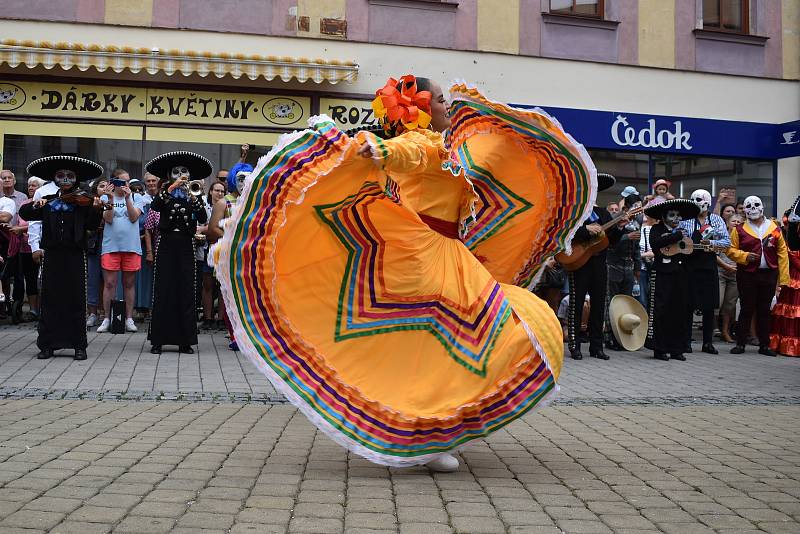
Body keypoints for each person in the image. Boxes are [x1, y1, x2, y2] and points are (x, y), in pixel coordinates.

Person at [210, 75, 592, 470]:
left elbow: (477, 157)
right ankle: (429, 433)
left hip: (439, 254)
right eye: (442, 100)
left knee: (438, 348)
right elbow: (405, 152)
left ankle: (431, 432)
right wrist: (376, 150)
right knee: (478, 337)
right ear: (422, 109)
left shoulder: (448, 148)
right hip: (423, 255)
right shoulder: (424, 142)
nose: (449, 106)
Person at [18, 155, 104, 360]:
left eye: (70, 176)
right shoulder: (48, 201)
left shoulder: (83, 201)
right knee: (50, 299)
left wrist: (97, 208)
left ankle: (79, 345)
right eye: (61, 176)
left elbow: (92, 225)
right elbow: (26, 213)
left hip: (75, 254)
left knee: (76, 298)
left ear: (75, 179)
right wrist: (36, 205)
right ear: (55, 179)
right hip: (53, 255)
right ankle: (47, 344)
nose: (65, 179)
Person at [145, 151, 210, 354]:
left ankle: (185, 340)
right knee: (163, 289)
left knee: (186, 290)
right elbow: (155, 207)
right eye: (176, 172)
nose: (180, 174)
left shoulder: (193, 193)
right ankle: (158, 339)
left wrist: (194, 197)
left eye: (183, 171)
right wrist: (171, 188)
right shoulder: (166, 193)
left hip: (186, 245)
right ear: (170, 175)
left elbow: (201, 217)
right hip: (166, 244)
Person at [566, 173, 623, 361]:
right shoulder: (576, 211)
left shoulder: (605, 214)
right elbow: (566, 233)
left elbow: (612, 241)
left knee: (599, 305)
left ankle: (596, 346)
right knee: (577, 303)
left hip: (599, 263)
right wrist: (585, 229)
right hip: (579, 262)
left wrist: (620, 228)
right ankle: (575, 345)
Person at [727, 196, 789, 355]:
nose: (753, 208)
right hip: (747, 275)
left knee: (764, 310)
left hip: (769, 274)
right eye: (749, 206)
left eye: (756, 205)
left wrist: (784, 279)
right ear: (745, 210)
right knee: (747, 308)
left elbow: (782, 252)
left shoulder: (774, 228)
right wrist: (745, 256)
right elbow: (730, 250)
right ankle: (740, 343)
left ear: (762, 208)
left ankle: (764, 345)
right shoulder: (739, 229)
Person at [646, 199, 700, 361]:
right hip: (662, 273)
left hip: (680, 274)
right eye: (672, 215)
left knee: (679, 310)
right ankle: (659, 348)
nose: (676, 218)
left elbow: (689, 248)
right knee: (661, 310)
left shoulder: (684, 231)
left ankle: (677, 348)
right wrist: (675, 236)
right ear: (663, 217)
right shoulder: (656, 229)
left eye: (678, 215)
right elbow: (656, 244)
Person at [680, 189, 730, 354]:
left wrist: (714, 244)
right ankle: (686, 341)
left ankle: (707, 343)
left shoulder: (716, 220)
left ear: (708, 202)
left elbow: (726, 242)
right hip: (689, 266)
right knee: (687, 305)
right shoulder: (685, 220)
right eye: (695, 200)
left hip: (709, 266)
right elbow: (677, 239)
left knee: (709, 306)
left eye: (702, 200)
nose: (699, 203)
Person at [96, 169, 145, 333]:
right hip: (111, 246)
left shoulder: (137, 197)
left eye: (127, 181)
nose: (125, 185)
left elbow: (133, 217)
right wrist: (110, 198)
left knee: (129, 283)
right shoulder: (105, 197)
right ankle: (107, 319)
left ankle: (129, 318)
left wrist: (128, 198)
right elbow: (108, 219)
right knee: (109, 283)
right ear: (114, 182)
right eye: (122, 182)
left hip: (131, 246)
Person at [5, 177, 45, 322]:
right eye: (29, 185)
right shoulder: (24, 203)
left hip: (39, 247)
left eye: (34, 185)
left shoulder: (43, 203)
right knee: (30, 280)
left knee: (41, 280)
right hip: (24, 248)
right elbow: (17, 221)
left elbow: (40, 223)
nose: (30, 188)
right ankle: (34, 310)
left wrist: (21, 229)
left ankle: (44, 309)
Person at [604, 196, 641, 351]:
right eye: (636, 207)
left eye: (640, 207)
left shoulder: (636, 224)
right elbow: (608, 243)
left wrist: (637, 271)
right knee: (611, 304)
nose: (638, 210)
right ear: (626, 208)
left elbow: (637, 251)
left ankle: (622, 337)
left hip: (628, 269)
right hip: (613, 267)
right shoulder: (615, 220)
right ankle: (609, 337)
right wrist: (626, 237)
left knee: (626, 304)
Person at [769, 200, 800, 356]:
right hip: (790, 274)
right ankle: (786, 343)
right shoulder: (778, 231)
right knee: (789, 310)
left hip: (792, 272)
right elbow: (770, 241)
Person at [200, 181, 226, 329]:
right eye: (216, 190)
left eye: (222, 191)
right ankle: (208, 318)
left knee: (222, 285)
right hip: (207, 247)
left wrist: (205, 229)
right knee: (207, 284)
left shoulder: (227, 204)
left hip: (222, 247)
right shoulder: (204, 205)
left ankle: (221, 318)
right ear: (210, 191)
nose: (219, 193)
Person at [85, 179, 107, 327]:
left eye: (107, 186)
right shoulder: (89, 204)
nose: (105, 189)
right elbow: (86, 226)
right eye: (101, 186)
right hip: (94, 245)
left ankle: (107, 313)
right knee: (92, 279)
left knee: (109, 281)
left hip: (110, 245)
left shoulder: (113, 201)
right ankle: (92, 313)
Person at [717, 214, 743, 343]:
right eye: (734, 221)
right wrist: (726, 266)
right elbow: (714, 254)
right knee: (718, 301)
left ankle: (725, 332)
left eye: (739, 221)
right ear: (727, 223)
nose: (736, 223)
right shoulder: (721, 236)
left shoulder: (743, 237)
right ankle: (712, 329)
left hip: (735, 274)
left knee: (730, 305)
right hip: (721, 271)